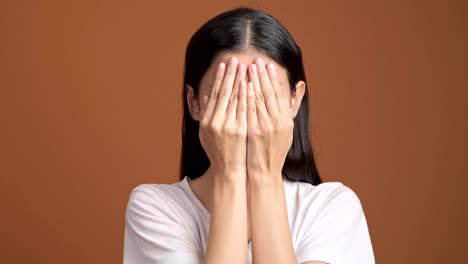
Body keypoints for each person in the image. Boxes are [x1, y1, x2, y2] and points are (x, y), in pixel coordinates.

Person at [123, 7, 374, 264]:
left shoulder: (332, 209)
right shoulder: (156, 208)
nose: (245, 109)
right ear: (194, 102)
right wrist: (229, 174)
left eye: (264, 95)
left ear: (294, 100)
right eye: (227, 93)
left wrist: (264, 176)